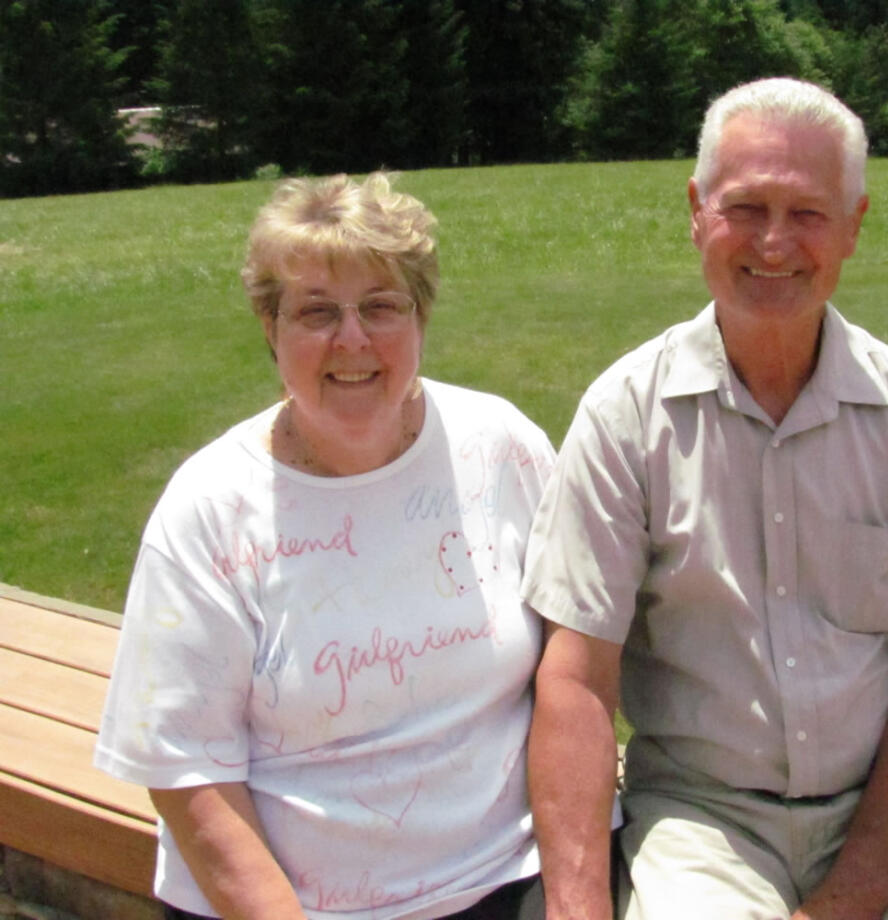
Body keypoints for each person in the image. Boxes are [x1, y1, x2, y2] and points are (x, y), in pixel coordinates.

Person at [523, 78, 888, 920]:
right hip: (701, 819)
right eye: (746, 207)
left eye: (809, 213)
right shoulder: (625, 416)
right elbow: (576, 682)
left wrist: (853, 896)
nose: (775, 242)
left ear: (855, 224)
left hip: (886, 813)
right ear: (696, 210)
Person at [95, 173, 555, 920]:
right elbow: (187, 774)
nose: (353, 339)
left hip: (507, 877)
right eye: (316, 312)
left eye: (382, 306)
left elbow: (576, 666)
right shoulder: (209, 509)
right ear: (270, 329)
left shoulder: (502, 448)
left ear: (420, 317)